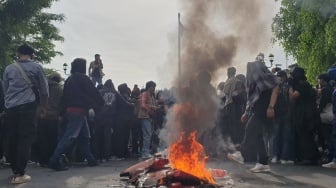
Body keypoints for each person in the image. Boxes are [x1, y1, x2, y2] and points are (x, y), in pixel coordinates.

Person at [3, 44, 49, 184]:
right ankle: (20, 173)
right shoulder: (36, 67)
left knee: (12, 138)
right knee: (25, 138)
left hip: (10, 107)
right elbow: (44, 90)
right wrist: (43, 106)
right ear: (32, 54)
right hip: (28, 107)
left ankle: (15, 170)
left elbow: (5, 90)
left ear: (18, 53)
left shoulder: (9, 68)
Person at [49, 58, 104, 171]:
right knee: (70, 136)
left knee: (84, 136)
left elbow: (64, 97)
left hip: (70, 111)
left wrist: (61, 112)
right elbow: (93, 92)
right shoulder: (83, 78)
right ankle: (55, 159)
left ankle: (90, 159)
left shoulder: (69, 79)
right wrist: (101, 103)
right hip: (79, 110)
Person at [228, 60, 280, 173]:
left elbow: (276, 89)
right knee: (258, 136)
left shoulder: (266, 77)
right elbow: (251, 97)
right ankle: (263, 163)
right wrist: (246, 113)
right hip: (257, 109)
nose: (250, 72)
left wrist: (271, 107)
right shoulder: (254, 82)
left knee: (250, 129)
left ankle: (241, 154)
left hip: (264, 109)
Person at [35, 72, 63, 167]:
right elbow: (62, 103)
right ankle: (50, 159)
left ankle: (42, 160)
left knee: (42, 139)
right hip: (53, 116)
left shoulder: (41, 87)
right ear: (58, 80)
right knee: (52, 139)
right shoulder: (59, 89)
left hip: (41, 115)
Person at [138, 81, 158, 159]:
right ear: (149, 87)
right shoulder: (144, 94)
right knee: (147, 135)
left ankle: (146, 152)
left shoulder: (151, 96)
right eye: (153, 87)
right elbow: (143, 105)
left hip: (149, 118)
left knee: (148, 135)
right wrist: (152, 108)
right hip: (145, 117)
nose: (154, 89)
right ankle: (145, 153)